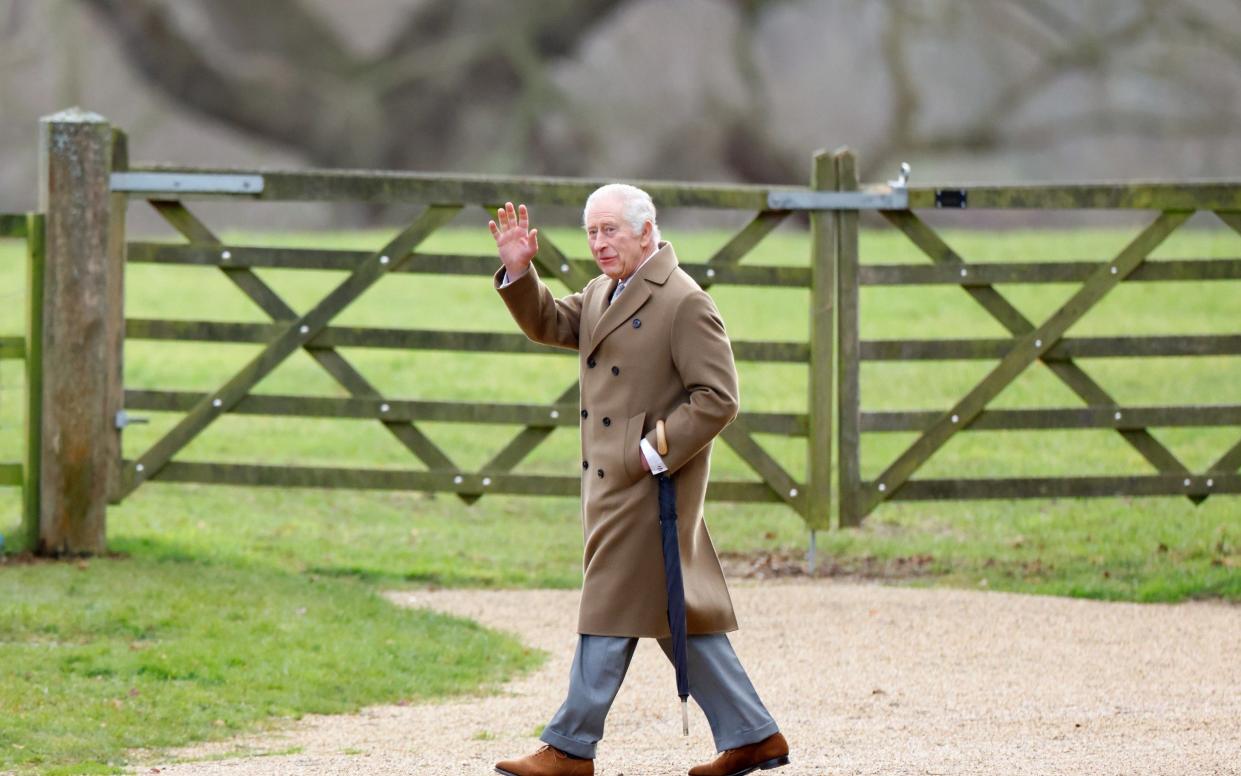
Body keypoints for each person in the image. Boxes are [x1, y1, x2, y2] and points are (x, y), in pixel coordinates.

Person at [488, 185, 790, 776]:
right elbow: (549, 321)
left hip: (653, 485)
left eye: (611, 231)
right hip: (615, 483)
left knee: (609, 603)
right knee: (671, 609)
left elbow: (719, 398)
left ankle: (569, 746)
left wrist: (651, 453)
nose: (600, 243)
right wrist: (519, 273)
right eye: (592, 232)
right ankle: (753, 734)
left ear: (646, 230)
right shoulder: (605, 291)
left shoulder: (683, 300)